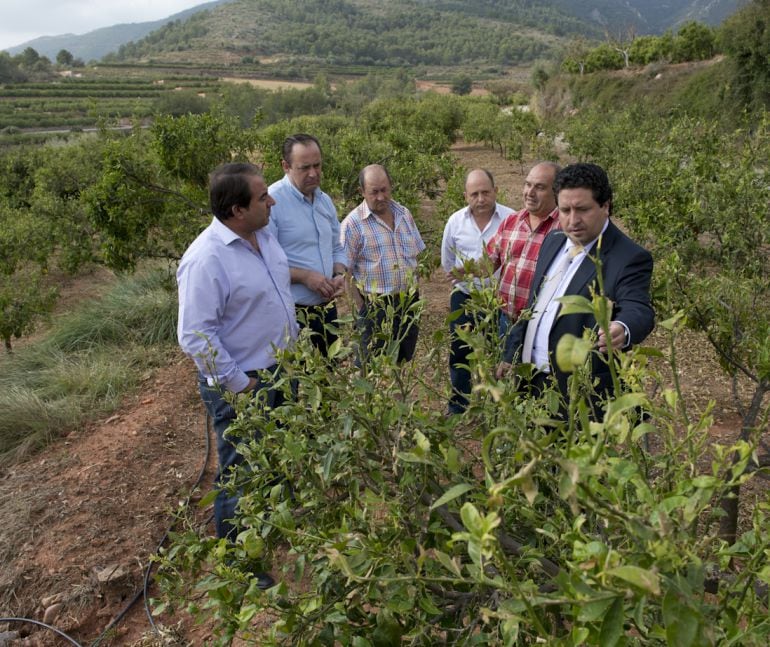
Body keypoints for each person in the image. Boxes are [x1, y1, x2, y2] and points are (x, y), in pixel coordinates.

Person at [177, 163, 297, 589]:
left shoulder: (263, 236)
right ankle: (238, 563)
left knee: (277, 455)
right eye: (263, 196)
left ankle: (274, 528)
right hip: (244, 382)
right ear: (235, 210)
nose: (272, 200)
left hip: (281, 369)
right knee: (239, 472)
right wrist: (239, 383)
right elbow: (195, 336)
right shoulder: (206, 258)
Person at [500, 162, 654, 411]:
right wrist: (512, 354)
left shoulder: (628, 257)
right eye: (565, 210)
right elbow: (534, 305)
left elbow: (638, 308)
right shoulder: (554, 240)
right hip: (529, 384)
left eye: (582, 209)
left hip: (578, 395)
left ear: (605, 206)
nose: (572, 220)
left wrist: (622, 328)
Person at [441, 168, 513, 414]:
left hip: (498, 299)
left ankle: (497, 408)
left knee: (498, 353)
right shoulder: (455, 222)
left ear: (496, 191)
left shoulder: (511, 219)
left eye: (485, 192)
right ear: (465, 196)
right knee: (460, 352)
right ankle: (459, 406)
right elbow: (448, 261)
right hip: (464, 297)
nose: (480, 199)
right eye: (474, 194)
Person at [268, 133, 347, 356]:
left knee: (329, 378)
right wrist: (305, 277)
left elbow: (337, 247)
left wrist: (339, 273)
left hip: (326, 309)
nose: (313, 173)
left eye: (317, 165)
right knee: (293, 381)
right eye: (304, 168)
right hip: (291, 312)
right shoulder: (272, 202)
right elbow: (263, 264)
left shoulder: (325, 201)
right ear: (286, 166)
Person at [341, 164, 425, 363]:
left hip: (407, 302)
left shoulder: (404, 213)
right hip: (374, 304)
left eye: (384, 190)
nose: (380, 197)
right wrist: (362, 309)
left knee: (402, 359)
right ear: (361, 192)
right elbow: (344, 273)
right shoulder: (352, 224)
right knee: (372, 366)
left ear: (391, 186)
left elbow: (416, 255)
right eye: (374, 192)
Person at [486, 162, 562, 342]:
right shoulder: (512, 221)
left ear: (557, 191)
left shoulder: (564, 229)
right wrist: (464, 270)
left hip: (542, 325)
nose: (530, 192)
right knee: (503, 369)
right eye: (528, 184)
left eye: (540, 187)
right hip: (506, 319)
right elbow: (487, 262)